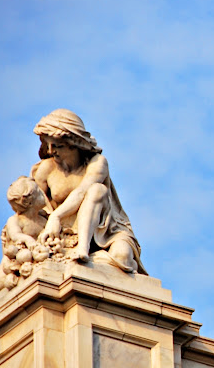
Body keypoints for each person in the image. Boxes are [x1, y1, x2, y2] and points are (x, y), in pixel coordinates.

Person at [31, 109, 146, 274]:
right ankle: (91, 260)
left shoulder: (97, 163)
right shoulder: (46, 170)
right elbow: (34, 209)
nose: (51, 151)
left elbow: (82, 192)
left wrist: (56, 215)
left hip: (106, 231)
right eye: (47, 144)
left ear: (75, 144)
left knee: (123, 256)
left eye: (58, 145)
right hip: (64, 235)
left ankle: (84, 251)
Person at [0, 177, 48, 306]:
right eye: (39, 193)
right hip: (10, 264)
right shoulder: (16, 220)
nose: (44, 194)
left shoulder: (43, 220)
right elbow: (15, 234)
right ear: (29, 203)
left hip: (30, 259)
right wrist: (28, 240)